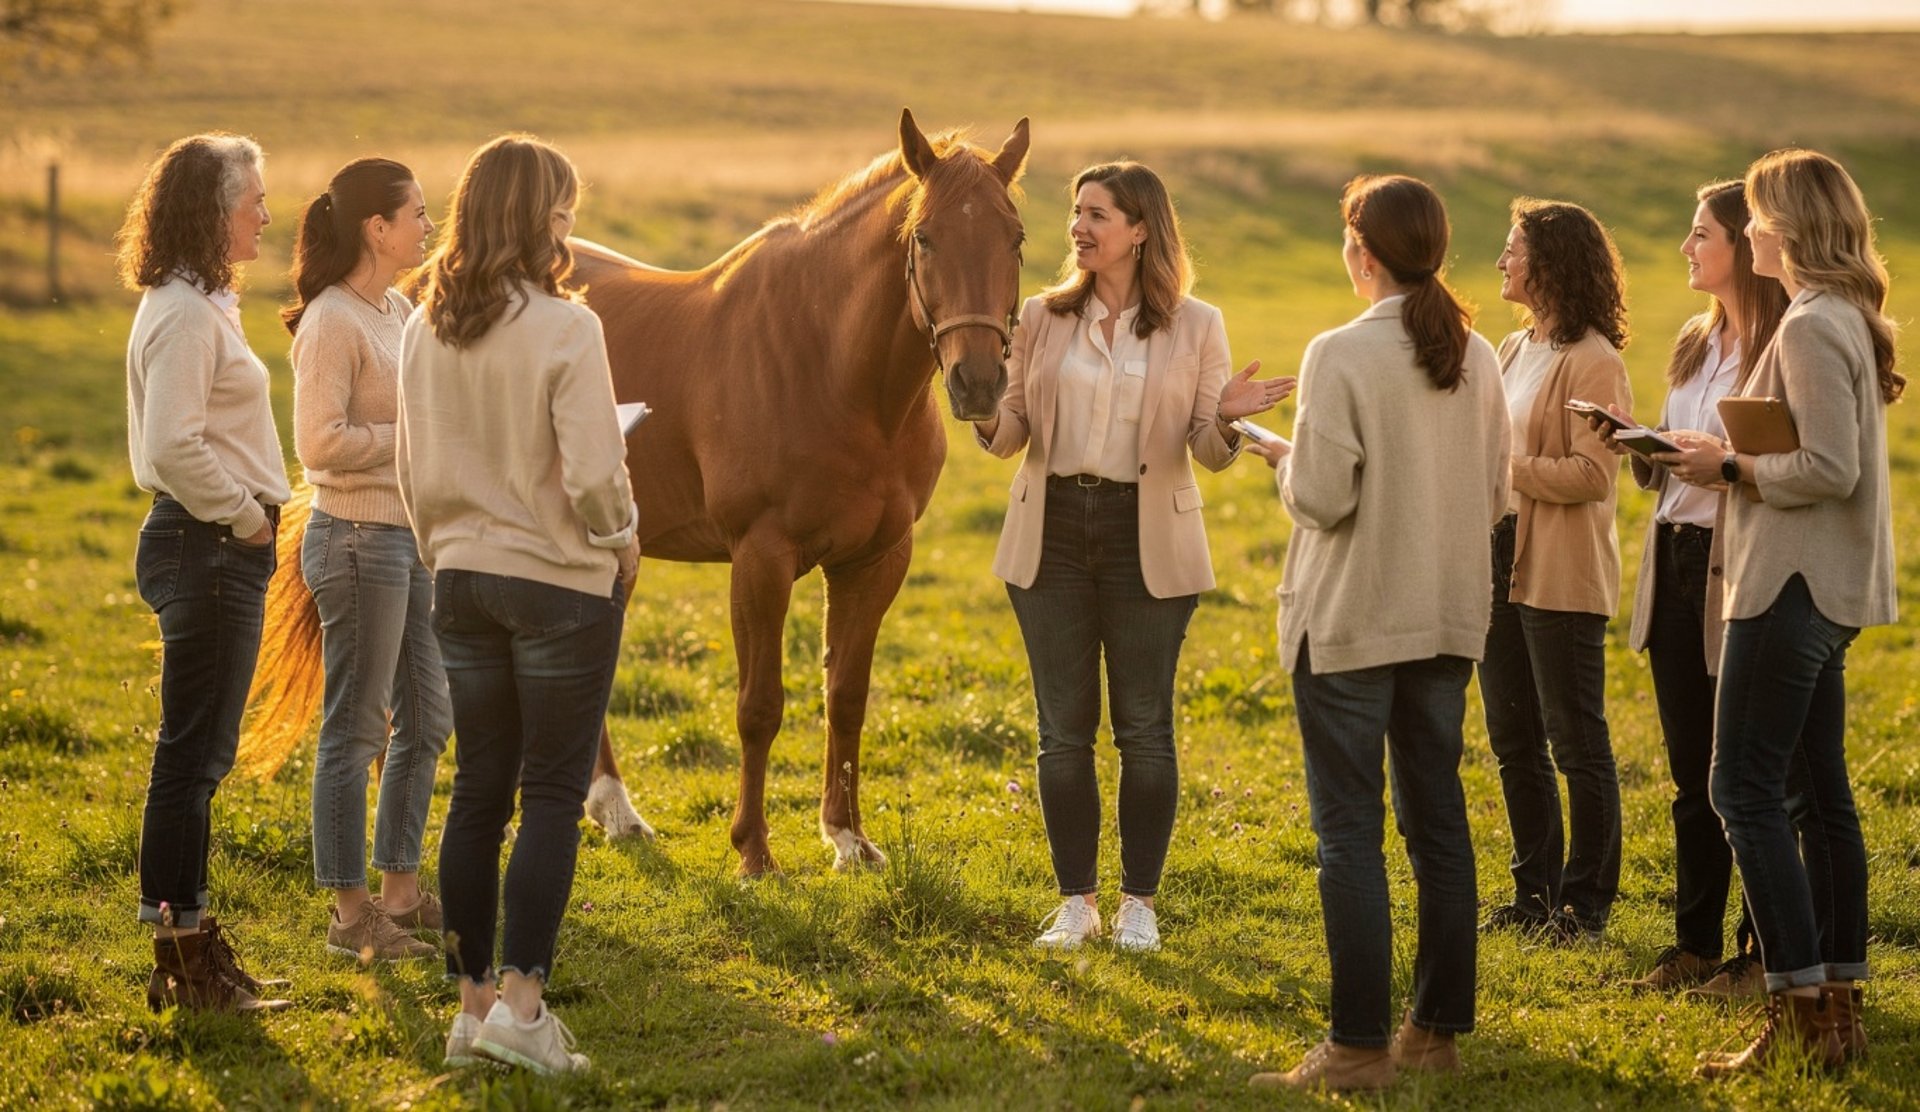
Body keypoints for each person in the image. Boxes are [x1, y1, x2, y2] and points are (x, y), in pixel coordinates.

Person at [972, 161, 1290, 953]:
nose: (1079, 227)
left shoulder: (1196, 324)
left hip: (1145, 537)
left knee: (1145, 728)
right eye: (1076, 213)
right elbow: (1011, 430)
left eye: (1098, 214)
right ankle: (1075, 903)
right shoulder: (1042, 317)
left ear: (1141, 229)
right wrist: (980, 411)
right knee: (1062, 731)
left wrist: (1224, 416)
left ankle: (1138, 904)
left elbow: (1208, 453)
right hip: (1051, 532)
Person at [1241, 175, 1510, 1093]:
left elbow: (1321, 498)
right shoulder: (1477, 353)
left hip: (1352, 623)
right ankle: (1433, 1034)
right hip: (1445, 617)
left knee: (1349, 836)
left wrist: (1282, 461)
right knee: (1439, 828)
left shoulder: (1338, 354)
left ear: (1363, 253)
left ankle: (1356, 1048)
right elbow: (1497, 490)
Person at [398, 135, 639, 1075]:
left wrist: (440, 551)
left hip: (455, 576)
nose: (569, 229)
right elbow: (592, 473)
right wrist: (621, 541)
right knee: (548, 795)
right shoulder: (567, 327)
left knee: (477, 793)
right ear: (538, 216)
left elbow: (411, 466)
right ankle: (526, 1011)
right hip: (556, 581)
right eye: (563, 212)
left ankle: (472, 1011)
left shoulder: (422, 324)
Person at [1657, 149, 1899, 1078]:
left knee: (1742, 790)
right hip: (1824, 583)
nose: (1750, 228)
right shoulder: (1839, 316)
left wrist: (1726, 468)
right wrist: (1720, 449)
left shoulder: (1808, 323)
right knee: (1819, 795)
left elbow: (1828, 471)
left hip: (1791, 583)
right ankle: (1835, 1010)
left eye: (1756, 217)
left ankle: (1798, 1012)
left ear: (1788, 228)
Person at [1606, 181, 1792, 998]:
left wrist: (1711, 459)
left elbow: (1773, 467)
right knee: (1691, 771)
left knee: (1747, 770)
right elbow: (1671, 463)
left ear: (1741, 247)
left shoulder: (1782, 343)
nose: (1687, 248)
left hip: (1739, 558)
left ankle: (1760, 955)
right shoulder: (1693, 338)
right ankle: (1694, 942)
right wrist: (1637, 446)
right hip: (1675, 557)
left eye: (1700, 235)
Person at [120, 133, 293, 1012]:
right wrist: (246, 516)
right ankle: (184, 958)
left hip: (214, 543)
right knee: (191, 757)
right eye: (252, 198)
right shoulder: (185, 315)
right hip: (209, 542)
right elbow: (171, 446)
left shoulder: (200, 303)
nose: (265, 213)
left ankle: (189, 944)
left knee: (198, 755)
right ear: (210, 209)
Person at [285, 158, 449, 963]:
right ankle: (352, 920)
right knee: (354, 731)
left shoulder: (395, 309)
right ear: (376, 229)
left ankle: (400, 895)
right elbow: (318, 443)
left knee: (428, 719)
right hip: (355, 542)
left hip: (406, 541)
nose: (429, 224)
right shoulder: (332, 320)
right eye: (417, 212)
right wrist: (413, 444)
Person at [1477, 198, 1631, 944]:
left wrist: (1501, 468)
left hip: (1559, 566)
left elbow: (1592, 476)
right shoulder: (1512, 348)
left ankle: (1586, 905)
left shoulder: (1594, 358)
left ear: (1551, 264)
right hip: (1498, 559)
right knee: (1512, 735)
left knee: (1575, 739)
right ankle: (1532, 893)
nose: (1502, 261)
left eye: (1513, 249)